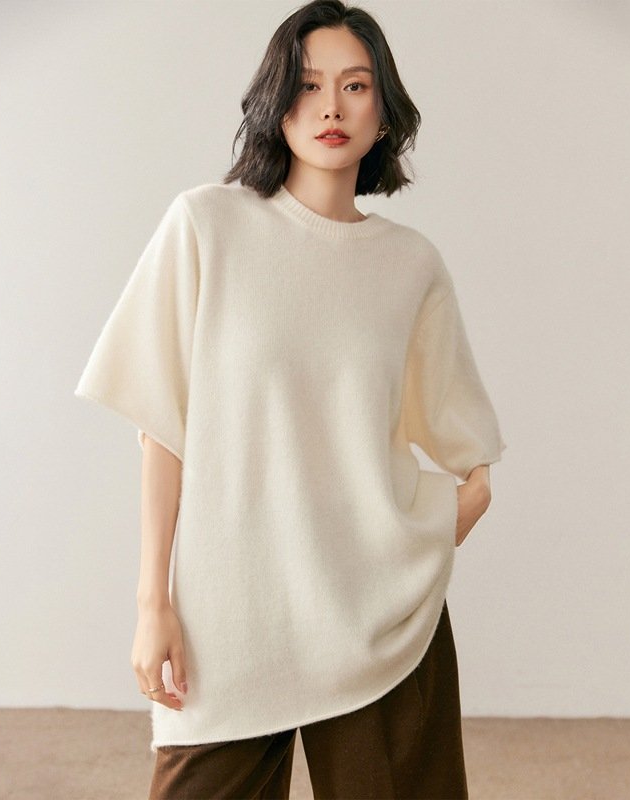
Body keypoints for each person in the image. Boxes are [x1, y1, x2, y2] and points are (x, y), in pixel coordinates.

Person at [74, 1, 506, 797]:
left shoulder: (410, 265)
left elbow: (465, 439)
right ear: (277, 102)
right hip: (233, 611)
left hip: (377, 611)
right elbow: (161, 427)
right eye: (308, 85)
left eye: (355, 86)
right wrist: (152, 603)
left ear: (385, 113)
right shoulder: (207, 226)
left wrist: (453, 513)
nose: (331, 107)